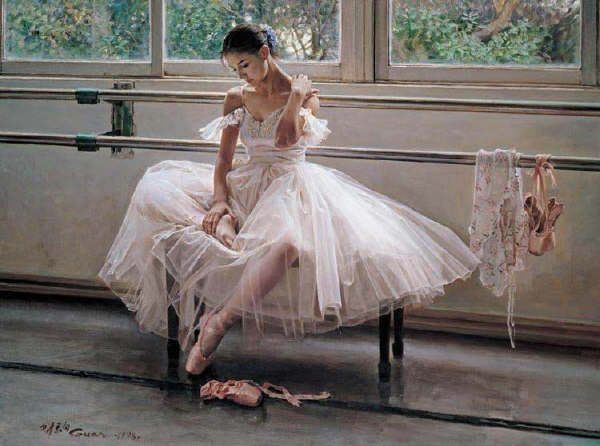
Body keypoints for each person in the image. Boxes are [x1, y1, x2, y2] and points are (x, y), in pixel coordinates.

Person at [97, 23, 481, 376]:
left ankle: (220, 322)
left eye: (245, 65)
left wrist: (296, 98)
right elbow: (224, 160)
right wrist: (218, 202)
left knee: (288, 245)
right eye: (234, 69)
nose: (241, 75)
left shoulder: (307, 98)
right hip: (247, 182)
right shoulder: (236, 98)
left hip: (291, 188)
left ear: (265, 53)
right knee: (159, 189)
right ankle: (220, 223)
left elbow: (285, 141)